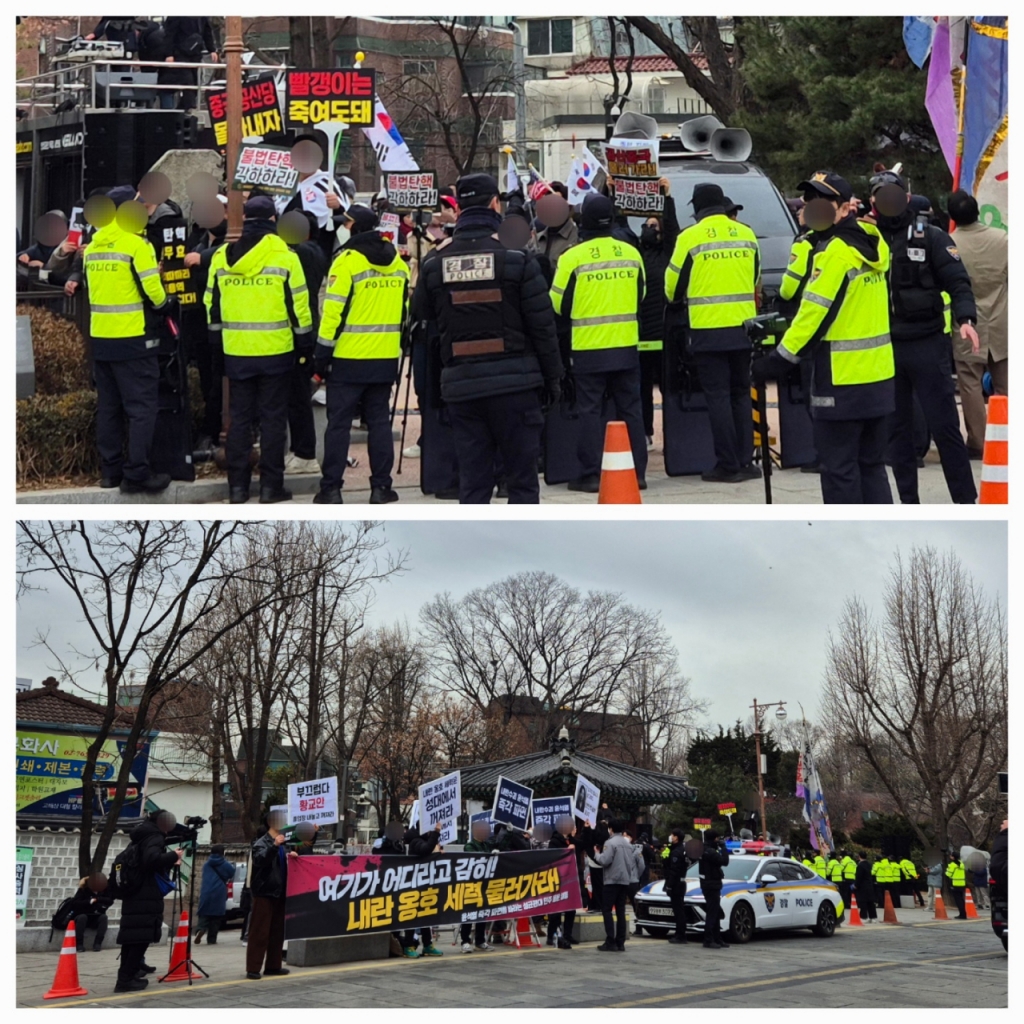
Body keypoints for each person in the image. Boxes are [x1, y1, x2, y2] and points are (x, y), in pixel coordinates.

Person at [413, 173, 563, 503]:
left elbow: (422, 315)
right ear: (495, 204)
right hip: (517, 387)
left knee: (473, 482)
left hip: (462, 389)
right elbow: (543, 327)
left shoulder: (435, 263)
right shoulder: (516, 258)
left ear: (459, 206)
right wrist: (553, 379)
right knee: (522, 483)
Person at [757, 172, 895, 503]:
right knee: (872, 467)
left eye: (822, 202)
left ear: (845, 208)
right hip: (878, 377)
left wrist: (778, 360)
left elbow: (813, 314)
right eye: (809, 201)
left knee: (839, 471)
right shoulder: (873, 241)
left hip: (840, 381)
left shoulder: (834, 253)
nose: (811, 208)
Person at [868, 169, 978, 504]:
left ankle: (964, 500)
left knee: (944, 427)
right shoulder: (865, 240)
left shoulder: (930, 236)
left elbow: (958, 281)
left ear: (904, 198)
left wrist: (966, 318)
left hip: (927, 344)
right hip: (887, 348)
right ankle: (908, 502)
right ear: (872, 202)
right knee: (897, 432)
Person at [204, 196, 312, 504]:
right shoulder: (286, 257)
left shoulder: (223, 256)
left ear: (245, 218)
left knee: (239, 420)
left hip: (236, 351)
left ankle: (237, 489)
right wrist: (304, 344)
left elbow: (211, 306)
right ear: (274, 220)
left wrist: (217, 347)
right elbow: (300, 308)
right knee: (273, 421)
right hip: (277, 351)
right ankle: (270, 488)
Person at [665, 182, 761, 483]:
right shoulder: (746, 233)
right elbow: (755, 277)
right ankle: (746, 462)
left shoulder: (690, 238)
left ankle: (727, 464)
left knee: (718, 397)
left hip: (708, 331)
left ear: (696, 208)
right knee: (741, 395)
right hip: (744, 328)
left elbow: (672, 288)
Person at [551, 193, 647, 492]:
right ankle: (637, 473)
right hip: (626, 344)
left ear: (584, 222)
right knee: (631, 408)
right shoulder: (631, 253)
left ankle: (591, 474)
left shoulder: (572, 257)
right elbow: (641, 295)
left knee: (589, 410)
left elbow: (558, 304)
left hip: (588, 347)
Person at [313, 204, 408, 504]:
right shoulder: (398, 263)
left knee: (338, 424)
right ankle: (381, 487)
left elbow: (332, 315)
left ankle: (331, 489)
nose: (344, 226)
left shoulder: (346, 262)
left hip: (348, 359)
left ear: (355, 227)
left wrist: (321, 357)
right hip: (384, 358)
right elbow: (404, 313)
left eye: (347, 222)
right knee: (379, 423)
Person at [83, 186, 175, 494]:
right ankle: (137, 474)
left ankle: (109, 473)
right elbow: (154, 293)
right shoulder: (136, 244)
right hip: (134, 338)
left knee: (109, 408)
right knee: (141, 408)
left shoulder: (93, 246)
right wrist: (167, 304)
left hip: (101, 338)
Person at [946, 190, 1008, 458]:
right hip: (1003, 317)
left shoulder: (949, 244)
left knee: (969, 381)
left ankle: (978, 440)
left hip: (966, 321)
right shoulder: (1003, 239)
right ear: (978, 211)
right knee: (1005, 381)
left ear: (952, 216)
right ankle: (1008, 435)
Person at [114, 810, 184, 992]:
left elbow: (144, 862)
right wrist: (173, 856)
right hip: (145, 895)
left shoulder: (141, 836)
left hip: (135, 893)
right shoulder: (154, 837)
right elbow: (151, 860)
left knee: (132, 939)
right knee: (140, 939)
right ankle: (126, 980)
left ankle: (126, 977)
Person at [637, 178, 679, 448]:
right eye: (646, 225)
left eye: (654, 225)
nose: (649, 229)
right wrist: (611, 190)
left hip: (666, 332)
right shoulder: (636, 253)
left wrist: (667, 197)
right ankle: (645, 431)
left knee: (669, 386)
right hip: (642, 333)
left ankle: (675, 431)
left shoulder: (669, 253)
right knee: (641, 388)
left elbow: (673, 230)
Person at [246, 810, 307, 979]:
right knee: (260, 931)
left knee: (277, 932)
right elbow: (260, 860)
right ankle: (253, 967)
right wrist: (274, 846)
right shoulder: (262, 842)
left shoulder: (284, 844)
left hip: (280, 892)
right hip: (264, 892)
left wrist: (292, 855)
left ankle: (273, 966)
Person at [593, 819, 641, 952]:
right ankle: (621, 942)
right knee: (620, 911)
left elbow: (605, 860)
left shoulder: (610, 842)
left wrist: (596, 853)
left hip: (612, 880)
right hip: (625, 880)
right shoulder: (627, 844)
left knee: (607, 910)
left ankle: (610, 940)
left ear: (611, 829)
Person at [160, 17, 218, 111]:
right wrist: (169, 54)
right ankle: (189, 107)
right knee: (187, 80)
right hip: (180, 53)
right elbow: (169, 34)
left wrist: (212, 49)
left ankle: (183, 108)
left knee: (194, 82)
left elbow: (207, 31)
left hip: (194, 53)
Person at [458, 819, 498, 952]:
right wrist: (488, 856)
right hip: (471, 886)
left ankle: (480, 941)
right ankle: (465, 941)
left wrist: (508, 831)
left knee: (482, 914)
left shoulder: (487, 845)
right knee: (469, 914)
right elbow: (474, 857)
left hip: (484, 885)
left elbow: (501, 843)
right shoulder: (469, 845)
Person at [547, 815, 583, 949]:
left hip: (571, 879)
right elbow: (552, 857)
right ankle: (552, 935)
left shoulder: (572, 840)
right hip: (558, 878)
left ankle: (568, 934)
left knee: (571, 908)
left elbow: (583, 843)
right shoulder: (554, 841)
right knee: (556, 910)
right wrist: (566, 851)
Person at [194, 844, 235, 945]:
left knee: (204, 913)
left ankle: (201, 928)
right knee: (216, 917)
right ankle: (212, 939)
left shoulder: (206, 864)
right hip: (219, 891)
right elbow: (231, 873)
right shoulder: (225, 864)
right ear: (222, 853)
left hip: (206, 891)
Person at [697, 830, 730, 949]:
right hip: (712, 885)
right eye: (717, 839)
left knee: (715, 912)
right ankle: (708, 939)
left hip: (707, 884)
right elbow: (725, 861)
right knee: (712, 913)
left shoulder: (703, 849)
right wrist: (723, 847)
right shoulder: (710, 852)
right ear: (714, 839)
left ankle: (717, 938)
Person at [663, 828, 692, 944]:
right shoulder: (680, 849)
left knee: (678, 910)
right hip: (680, 883)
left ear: (676, 837)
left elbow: (674, 871)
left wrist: (669, 885)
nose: (671, 836)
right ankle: (680, 933)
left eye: (672, 835)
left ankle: (680, 935)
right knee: (679, 909)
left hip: (676, 885)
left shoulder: (677, 851)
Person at [69, 877, 113, 952]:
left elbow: (109, 900)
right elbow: (75, 903)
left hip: (95, 917)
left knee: (103, 918)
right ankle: (79, 944)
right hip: (83, 916)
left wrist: (98, 900)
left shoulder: (103, 891)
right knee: (82, 917)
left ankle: (97, 943)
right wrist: (89, 901)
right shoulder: (83, 891)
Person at [854, 852, 878, 922]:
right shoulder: (869, 864)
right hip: (869, 885)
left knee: (863, 901)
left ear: (859, 856)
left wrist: (856, 885)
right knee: (870, 901)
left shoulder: (860, 865)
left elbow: (859, 877)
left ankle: (863, 916)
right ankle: (873, 917)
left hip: (863, 886)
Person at [946, 851, 968, 918]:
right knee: (961, 899)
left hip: (955, 884)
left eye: (951, 856)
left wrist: (947, 869)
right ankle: (963, 914)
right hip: (962, 884)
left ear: (953, 857)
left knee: (958, 901)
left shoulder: (952, 865)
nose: (950, 857)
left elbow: (948, 874)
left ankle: (962, 915)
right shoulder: (962, 863)